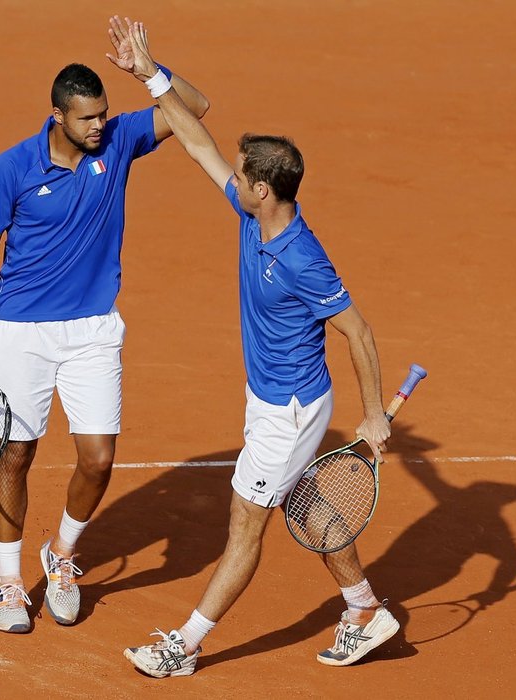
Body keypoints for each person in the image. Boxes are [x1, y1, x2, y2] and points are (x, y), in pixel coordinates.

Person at [111, 20, 398, 676]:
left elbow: (357, 330)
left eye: (241, 177)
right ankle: (365, 608)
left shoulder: (303, 258)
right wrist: (148, 73)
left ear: (262, 190)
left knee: (246, 522)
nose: (231, 179)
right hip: (272, 398)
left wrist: (375, 411)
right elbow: (195, 140)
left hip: (291, 409)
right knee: (307, 504)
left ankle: (182, 646)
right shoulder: (253, 214)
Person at [0, 16, 210, 634]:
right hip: (21, 335)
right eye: (88, 117)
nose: (99, 125)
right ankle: (10, 583)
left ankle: (61, 556)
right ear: (58, 115)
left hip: (93, 330)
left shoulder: (119, 142)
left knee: (97, 459)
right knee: (15, 456)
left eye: (103, 114)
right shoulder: (10, 169)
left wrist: (150, 71)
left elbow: (195, 109)